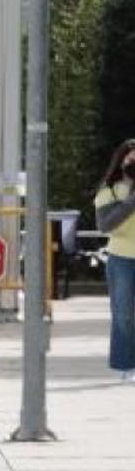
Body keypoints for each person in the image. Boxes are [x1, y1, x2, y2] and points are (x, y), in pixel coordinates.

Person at [95, 139, 135, 382]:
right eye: (131, 159)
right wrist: (130, 201)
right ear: (121, 161)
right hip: (122, 259)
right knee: (123, 313)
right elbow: (105, 225)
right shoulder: (108, 191)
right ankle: (125, 365)